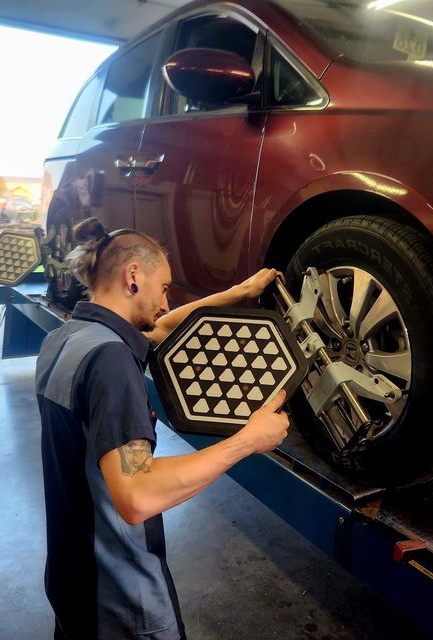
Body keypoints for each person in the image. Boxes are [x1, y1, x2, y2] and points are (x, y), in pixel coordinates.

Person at [36, 217, 290, 640]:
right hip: (120, 600)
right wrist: (246, 442)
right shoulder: (112, 362)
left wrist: (237, 294)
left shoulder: (67, 340)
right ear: (134, 276)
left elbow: (160, 327)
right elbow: (137, 496)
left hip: (71, 581)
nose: (167, 303)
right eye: (165, 288)